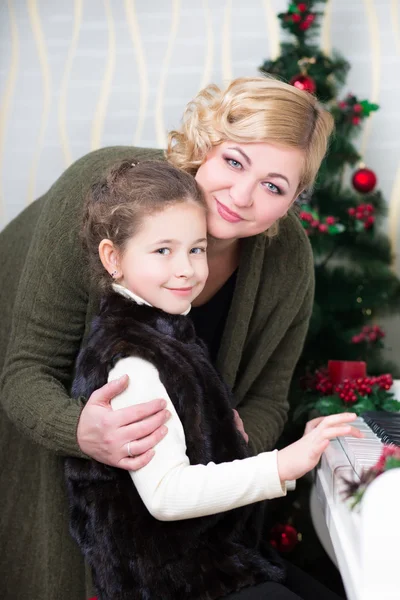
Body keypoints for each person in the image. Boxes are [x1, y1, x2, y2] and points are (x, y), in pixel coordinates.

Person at [0, 76, 337, 599]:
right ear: (203, 144)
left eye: (274, 186)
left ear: (295, 198)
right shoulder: (104, 197)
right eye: (234, 161)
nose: (242, 197)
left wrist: (232, 435)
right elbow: (26, 371)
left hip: (182, 518)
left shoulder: (287, 260)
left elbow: (270, 397)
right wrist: (79, 429)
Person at [65, 159, 361, 600]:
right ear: (114, 258)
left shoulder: (167, 330)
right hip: (171, 581)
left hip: (214, 554)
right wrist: (283, 463)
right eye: (163, 251)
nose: (186, 269)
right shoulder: (131, 362)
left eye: (196, 249)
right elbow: (165, 495)